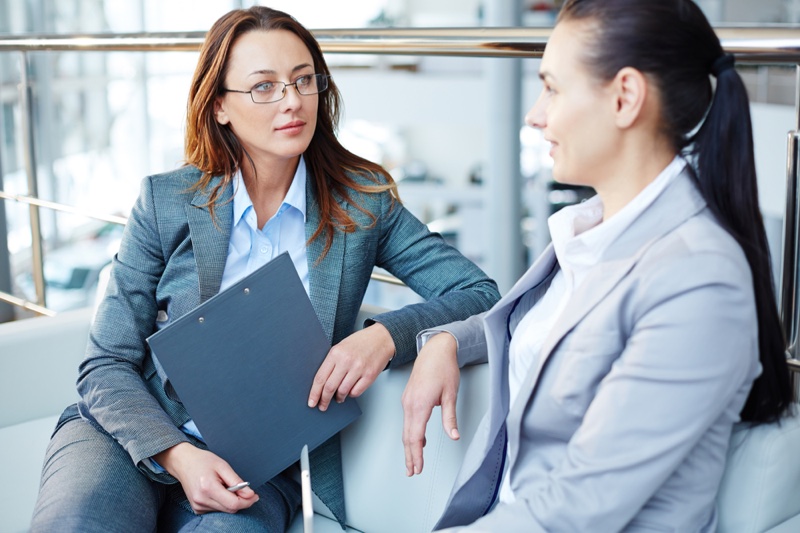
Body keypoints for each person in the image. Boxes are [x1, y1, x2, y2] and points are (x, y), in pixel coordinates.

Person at [30, 6, 499, 533]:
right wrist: (180, 456)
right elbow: (105, 362)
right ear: (220, 107)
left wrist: (387, 337)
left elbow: (479, 291)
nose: (292, 101)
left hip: (259, 464)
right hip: (127, 436)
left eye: (304, 80)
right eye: (264, 87)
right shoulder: (165, 201)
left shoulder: (363, 205)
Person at [401, 0, 794, 531]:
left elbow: (579, 505)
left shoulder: (700, 277)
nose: (535, 113)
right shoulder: (591, 229)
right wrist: (449, 340)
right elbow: (543, 330)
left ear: (625, 97)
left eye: (553, 87)